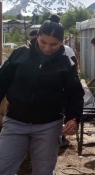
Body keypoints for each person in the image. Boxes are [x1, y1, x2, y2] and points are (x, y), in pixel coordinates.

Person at [0, 14, 84, 174]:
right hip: (15, 122)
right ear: (37, 37)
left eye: (54, 44)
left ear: (62, 42)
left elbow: (74, 93)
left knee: (43, 171)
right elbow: (2, 81)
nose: (47, 48)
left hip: (49, 126)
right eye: (43, 42)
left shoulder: (66, 64)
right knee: (3, 167)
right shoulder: (20, 54)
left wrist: (74, 117)